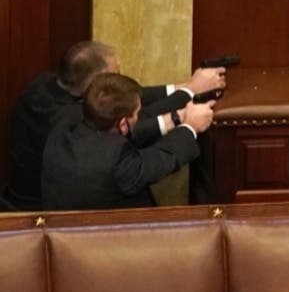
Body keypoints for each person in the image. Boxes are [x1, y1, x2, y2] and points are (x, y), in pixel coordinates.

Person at [2, 40, 226, 210]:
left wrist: (184, 88)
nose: (119, 77)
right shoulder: (67, 121)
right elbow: (157, 155)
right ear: (94, 86)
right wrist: (189, 124)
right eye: (115, 74)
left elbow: (123, 103)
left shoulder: (44, 87)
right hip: (35, 215)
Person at [40, 72, 215, 210]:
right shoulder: (116, 159)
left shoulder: (63, 125)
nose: (140, 118)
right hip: (114, 245)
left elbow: (130, 131)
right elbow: (162, 158)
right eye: (137, 114)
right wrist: (191, 126)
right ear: (123, 123)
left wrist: (177, 117)